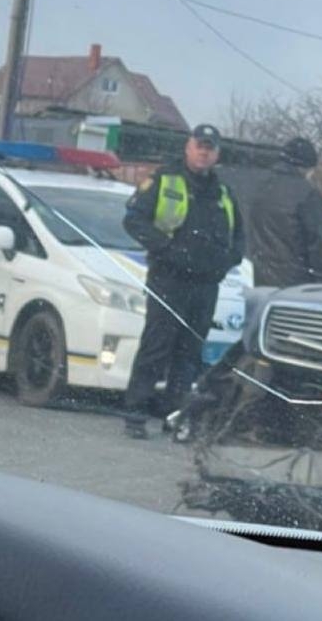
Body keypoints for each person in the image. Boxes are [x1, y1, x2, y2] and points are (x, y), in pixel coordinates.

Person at [121, 124, 245, 439]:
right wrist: (167, 249)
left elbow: (239, 237)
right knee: (156, 346)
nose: (204, 152)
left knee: (190, 352)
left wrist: (227, 261)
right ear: (188, 148)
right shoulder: (165, 180)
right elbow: (134, 220)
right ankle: (135, 413)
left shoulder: (223, 191)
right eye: (199, 146)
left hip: (205, 284)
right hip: (169, 279)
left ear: (217, 153)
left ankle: (174, 415)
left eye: (210, 148)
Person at [244, 136, 322, 287]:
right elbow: (318, 246)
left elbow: (282, 223)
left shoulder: (261, 188)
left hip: (263, 278)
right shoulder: (308, 193)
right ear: (307, 168)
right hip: (298, 284)